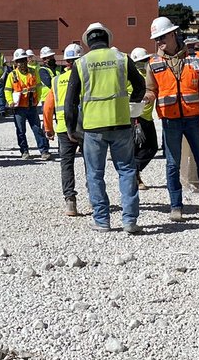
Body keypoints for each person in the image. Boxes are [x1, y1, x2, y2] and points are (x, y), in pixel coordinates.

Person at [63, 23, 145, 234]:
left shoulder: (81, 64)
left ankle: (102, 221)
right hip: (121, 123)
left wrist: (71, 128)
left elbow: (70, 101)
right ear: (108, 39)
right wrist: (132, 105)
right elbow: (140, 86)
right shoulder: (122, 59)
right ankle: (129, 220)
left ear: (88, 42)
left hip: (93, 128)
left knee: (95, 174)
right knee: (126, 170)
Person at [145, 16, 199, 223]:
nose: (159, 42)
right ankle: (176, 206)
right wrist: (145, 99)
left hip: (194, 118)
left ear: (173, 34)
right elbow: (151, 89)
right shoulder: (153, 62)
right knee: (172, 165)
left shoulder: (195, 57)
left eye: (162, 37)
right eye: (156, 39)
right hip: (170, 121)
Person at [43, 43, 85, 215]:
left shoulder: (56, 80)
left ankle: (70, 202)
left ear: (66, 61)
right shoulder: (87, 77)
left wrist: (48, 128)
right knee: (91, 163)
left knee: (67, 164)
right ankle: (95, 198)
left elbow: (47, 107)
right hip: (85, 126)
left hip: (62, 127)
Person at [4, 49, 50, 160]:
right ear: (16, 63)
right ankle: (24, 151)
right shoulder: (12, 75)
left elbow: (38, 86)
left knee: (37, 129)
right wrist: (10, 102)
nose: (22, 63)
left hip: (32, 106)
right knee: (21, 131)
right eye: (19, 61)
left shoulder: (34, 72)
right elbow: (7, 90)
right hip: (19, 108)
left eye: (23, 60)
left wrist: (37, 99)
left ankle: (44, 151)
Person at [128, 47, 159, 190]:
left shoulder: (150, 74)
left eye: (145, 60)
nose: (143, 63)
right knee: (134, 148)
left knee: (152, 147)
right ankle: (134, 177)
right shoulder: (130, 76)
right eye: (140, 61)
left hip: (147, 116)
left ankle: (134, 170)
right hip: (135, 116)